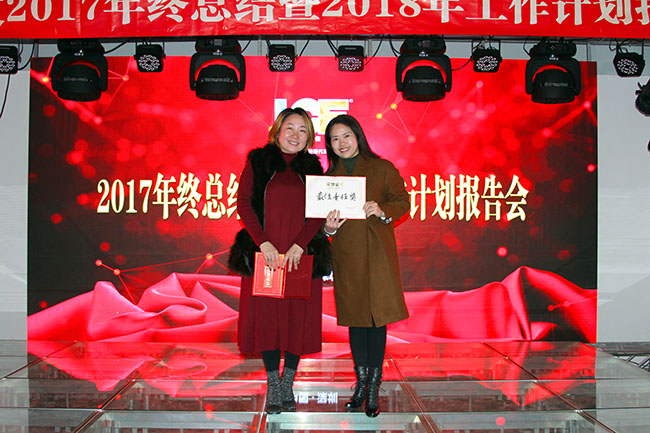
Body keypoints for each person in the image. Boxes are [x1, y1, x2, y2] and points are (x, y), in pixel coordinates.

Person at [228, 107, 332, 414]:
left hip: (300, 256)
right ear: (277, 131)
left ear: (309, 137)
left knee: (296, 321)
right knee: (269, 321)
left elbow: (319, 209)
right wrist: (264, 243)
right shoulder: (259, 161)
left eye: (302, 130)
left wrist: (301, 244)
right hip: (267, 256)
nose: (295, 135)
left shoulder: (312, 167)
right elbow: (244, 204)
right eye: (290, 128)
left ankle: (288, 383)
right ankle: (273, 384)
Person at [322, 114, 410, 418]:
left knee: (377, 321)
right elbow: (319, 220)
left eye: (346, 136)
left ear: (358, 136)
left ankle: (373, 388)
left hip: (377, 257)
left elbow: (403, 201)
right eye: (334, 139)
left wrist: (382, 209)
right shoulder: (329, 178)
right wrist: (328, 229)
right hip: (347, 258)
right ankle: (360, 385)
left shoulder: (381, 168)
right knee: (356, 321)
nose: (341, 143)